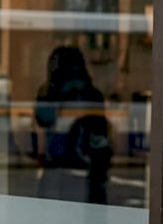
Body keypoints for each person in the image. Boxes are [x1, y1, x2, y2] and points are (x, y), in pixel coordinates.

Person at [32, 45, 112, 203]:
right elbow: (100, 134)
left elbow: (43, 120)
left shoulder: (50, 92)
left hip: (61, 164)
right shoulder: (90, 94)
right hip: (81, 166)